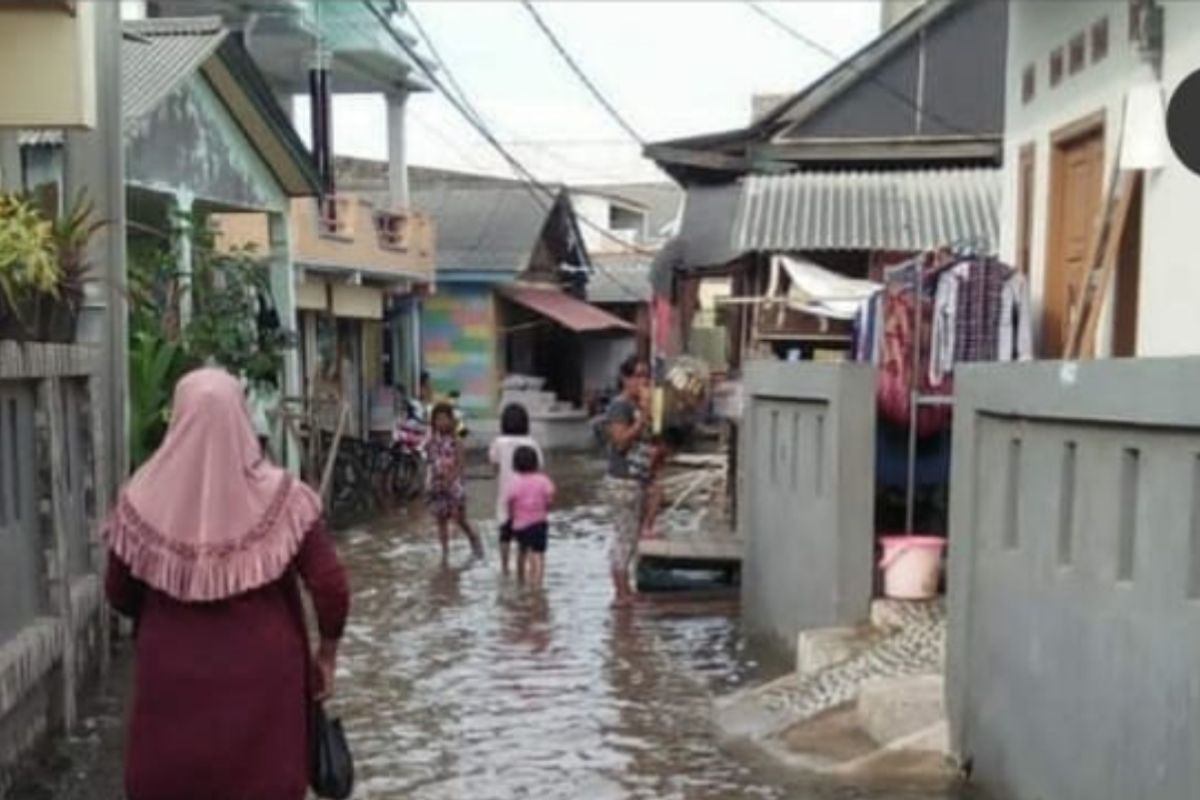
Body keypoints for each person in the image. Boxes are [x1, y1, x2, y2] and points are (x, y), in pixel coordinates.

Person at [103, 368, 349, 800]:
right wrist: (326, 655)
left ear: (176, 421)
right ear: (243, 417)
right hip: (266, 692)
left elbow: (119, 594)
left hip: (170, 686)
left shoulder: (139, 500)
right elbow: (330, 588)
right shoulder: (284, 500)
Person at [603, 356, 652, 607]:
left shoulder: (637, 406)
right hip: (622, 480)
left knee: (631, 537)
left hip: (638, 478)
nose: (642, 381)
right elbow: (620, 441)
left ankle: (626, 589)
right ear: (626, 378)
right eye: (637, 375)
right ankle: (620, 593)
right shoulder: (620, 407)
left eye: (646, 376)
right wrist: (641, 419)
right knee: (623, 537)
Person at [488, 403, 544, 578]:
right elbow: (539, 468)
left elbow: (494, 466)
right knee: (525, 538)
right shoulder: (532, 443)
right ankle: (523, 570)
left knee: (505, 535)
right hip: (529, 501)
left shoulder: (498, 442)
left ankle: (505, 568)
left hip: (506, 498)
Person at [428, 402, 483, 562]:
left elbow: (460, 464)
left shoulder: (456, 441)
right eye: (438, 419)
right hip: (437, 485)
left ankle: (473, 537)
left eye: (445, 418)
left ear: (451, 421)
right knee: (440, 520)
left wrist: (451, 480)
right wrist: (432, 482)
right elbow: (431, 462)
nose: (441, 422)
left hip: (455, 487)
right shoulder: (432, 441)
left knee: (459, 518)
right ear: (433, 422)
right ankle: (445, 554)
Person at [504, 445, 556, 588]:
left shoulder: (514, 482)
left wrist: (511, 516)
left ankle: (520, 579)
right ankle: (537, 583)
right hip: (539, 522)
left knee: (521, 550)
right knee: (538, 553)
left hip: (520, 524)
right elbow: (550, 498)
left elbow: (509, 501)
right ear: (536, 462)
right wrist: (545, 509)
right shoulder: (543, 480)